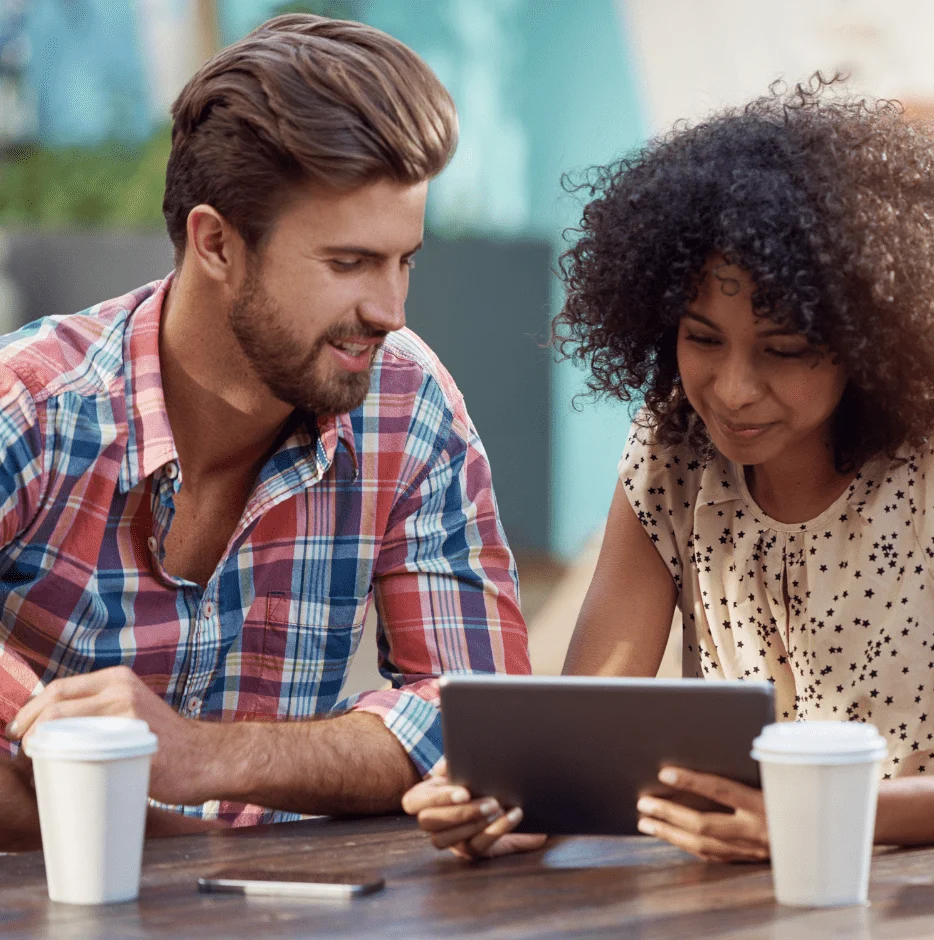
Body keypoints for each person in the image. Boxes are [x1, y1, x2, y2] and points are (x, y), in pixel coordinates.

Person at [0, 14, 534, 853]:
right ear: (216, 243)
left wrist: (203, 757)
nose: (390, 312)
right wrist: (171, 839)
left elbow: (479, 720)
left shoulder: (409, 406)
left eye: (406, 261)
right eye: (349, 263)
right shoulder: (33, 404)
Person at [544, 78, 934, 861]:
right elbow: (580, 732)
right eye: (703, 339)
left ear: (869, 344)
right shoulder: (672, 449)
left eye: (785, 351)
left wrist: (824, 815)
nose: (733, 389)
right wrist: (506, 802)